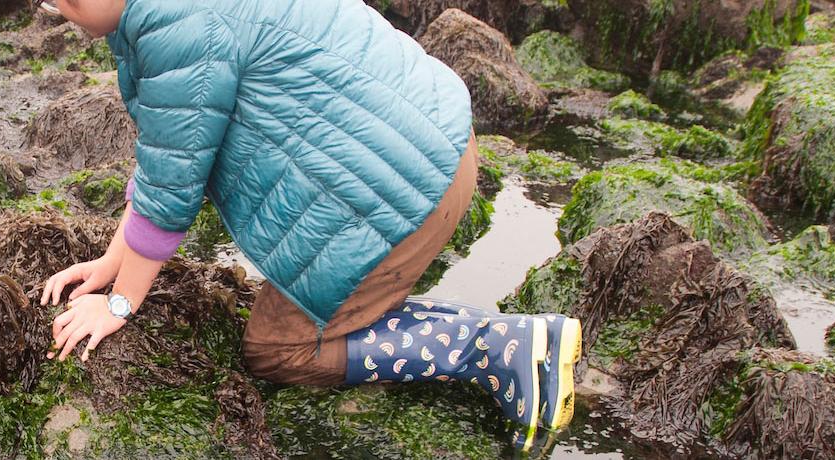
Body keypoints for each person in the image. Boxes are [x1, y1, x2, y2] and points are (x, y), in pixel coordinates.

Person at [33, 0, 583, 452]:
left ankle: (494, 346)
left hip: (400, 191)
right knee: (314, 316)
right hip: (431, 142)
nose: (55, 5)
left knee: (277, 349)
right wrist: (112, 262)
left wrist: (121, 304)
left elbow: (172, 191)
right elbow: (168, 155)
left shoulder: (176, 25)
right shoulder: (166, 12)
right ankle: (510, 337)